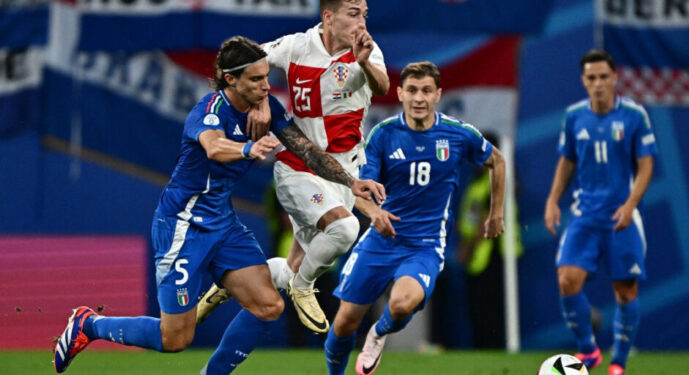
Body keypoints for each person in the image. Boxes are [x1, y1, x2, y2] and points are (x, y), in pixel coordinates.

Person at [52, 36, 384, 375]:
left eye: (267, 77)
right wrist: (246, 150)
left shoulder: (267, 110)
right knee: (174, 338)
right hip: (182, 225)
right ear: (230, 79)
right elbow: (213, 147)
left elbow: (307, 150)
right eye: (256, 80)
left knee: (269, 306)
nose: (266, 86)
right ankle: (89, 325)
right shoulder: (209, 110)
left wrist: (350, 182)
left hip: (223, 224)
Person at [197, 0, 389, 334]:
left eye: (365, 15)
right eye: (354, 14)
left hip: (341, 175)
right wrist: (258, 101)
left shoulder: (367, 51)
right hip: (297, 167)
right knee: (344, 231)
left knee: (290, 267)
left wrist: (365, 64)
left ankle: (231, 281)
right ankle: (303, 288)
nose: (362, 23)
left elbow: (383, 86)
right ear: (328, 17)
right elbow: (241, 60)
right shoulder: (296, 46)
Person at [323, 61, 506, 375]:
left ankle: (378, 333)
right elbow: (359, 191)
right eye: (412, 90)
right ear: (400, 93)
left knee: (401, 303)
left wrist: (496, 213)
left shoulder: (458, 135)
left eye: (426, 91)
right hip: (381, 241)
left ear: (438, 94)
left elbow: (497, 161)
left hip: (424, 246)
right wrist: (375, 212)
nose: (419, 98)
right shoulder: (383, 134)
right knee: (343, 322)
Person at [544, 49, 658, 375]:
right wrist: (553, 199)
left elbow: (646, 165)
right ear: (583, 80)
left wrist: (631, 204)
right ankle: (588, 351)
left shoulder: (635, 116)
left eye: (603, 77)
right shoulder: (574, 116)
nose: (598, 84)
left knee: (625, 290)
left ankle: (618, 363)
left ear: (614, 77)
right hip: (586, 215)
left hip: (621, 216)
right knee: (567, 279)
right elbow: (567, 160)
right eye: (591, 78)